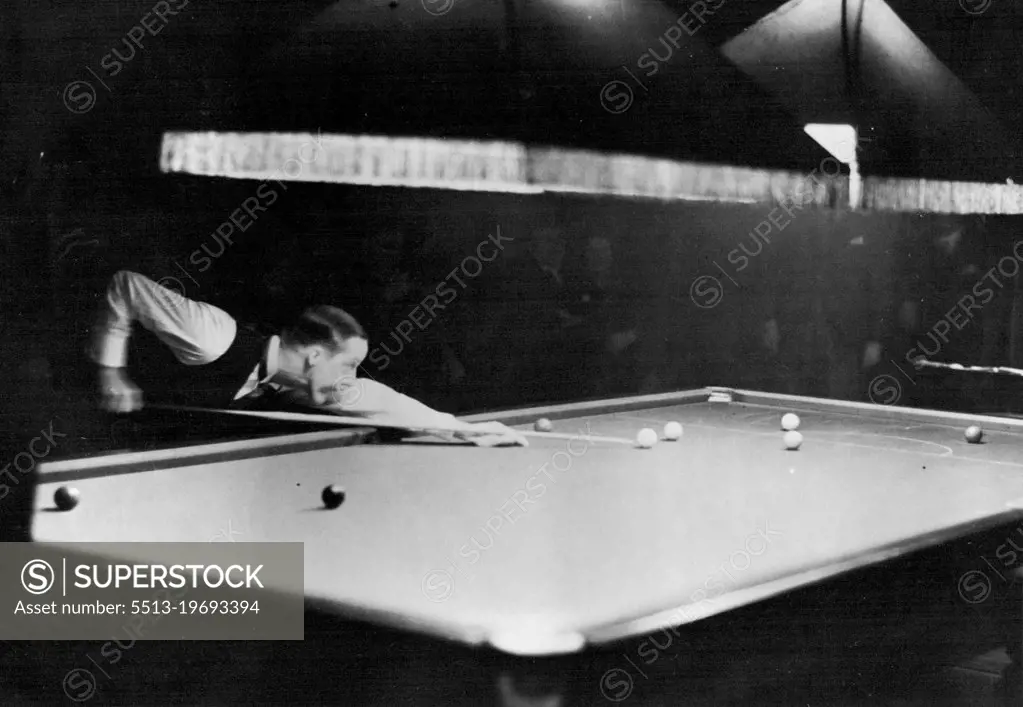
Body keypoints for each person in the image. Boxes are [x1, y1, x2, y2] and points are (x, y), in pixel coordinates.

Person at [90, 270, 527, 447]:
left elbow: (382, 399)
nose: (352, 378)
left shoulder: (297, 382)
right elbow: (125, 286)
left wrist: (463, 430)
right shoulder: (211, 337)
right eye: (348, 364)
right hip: (79, 415)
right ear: (315, 354)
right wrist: (112, 372)